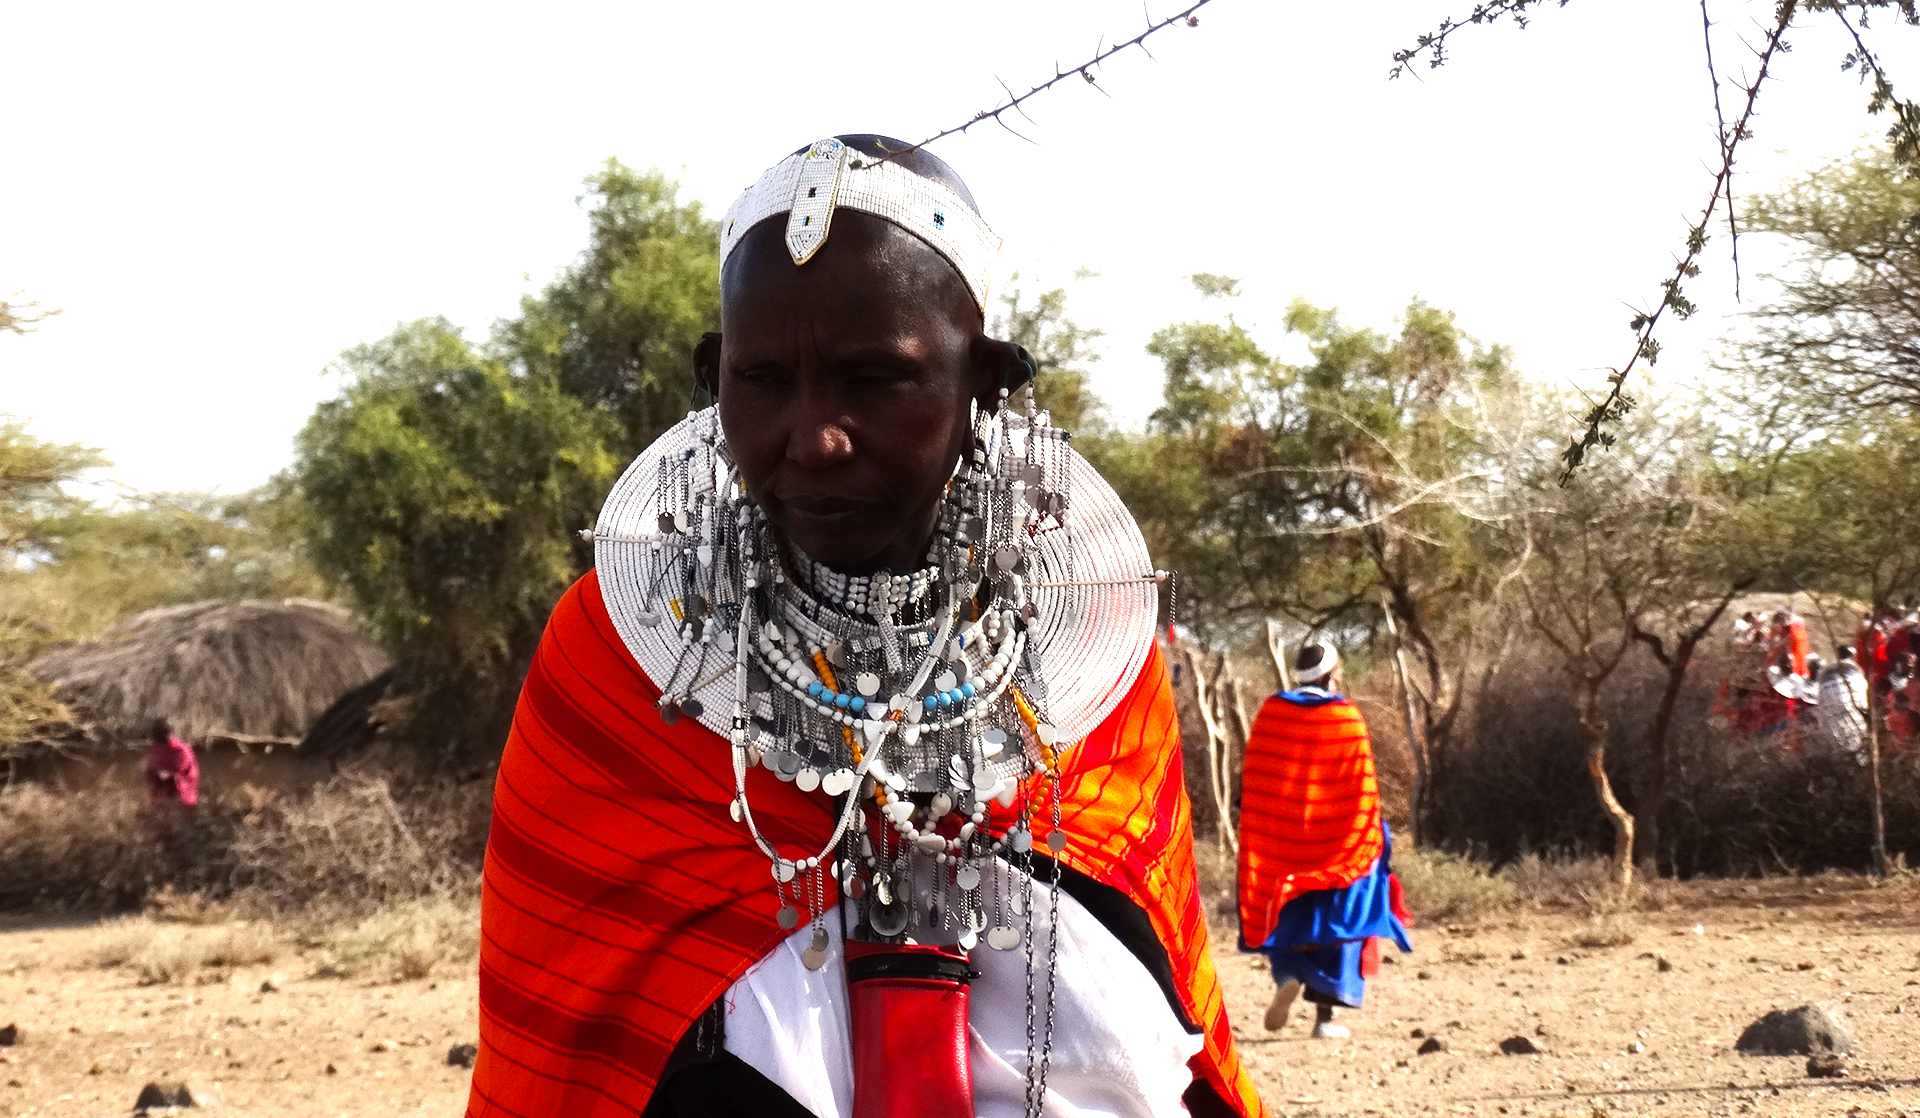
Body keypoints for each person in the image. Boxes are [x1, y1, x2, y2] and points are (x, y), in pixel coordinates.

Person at [468, 136, 1264, 1118]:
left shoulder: (1088, 650)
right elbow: (570, 1050)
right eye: (763, 379)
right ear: (714, 375)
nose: (813, 437)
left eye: (873, 378)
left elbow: (1155, 961)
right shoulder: (622, 654)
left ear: (985, 384)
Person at [1236, 642, 1411, 1040]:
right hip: (1336, 839)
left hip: (1281, 840)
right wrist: (1371, 834)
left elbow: (1258, 780)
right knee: (1343, 911)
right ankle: (1324, 1020)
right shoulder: (1345, 717)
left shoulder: (1272, 713)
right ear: (1332, 676)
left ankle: (1287, 975)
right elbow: (1362, 788)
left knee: (1286, 911)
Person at [1813, 647, 1870, 765]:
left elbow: (1822, 703)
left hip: (1833, 724)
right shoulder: (1856, 673)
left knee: (1840, 757)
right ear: (1852, 657)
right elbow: (1863, 700)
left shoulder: (1826, 674)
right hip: (1854, 722)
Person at [143, 718, 199, 808]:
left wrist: (161, 774)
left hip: (182, 795)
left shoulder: (180, 749)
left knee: (169, 779)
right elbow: (152, 766)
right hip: (162, 791)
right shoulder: (157, 747)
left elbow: (178, 773)